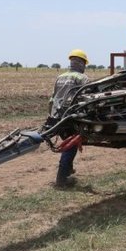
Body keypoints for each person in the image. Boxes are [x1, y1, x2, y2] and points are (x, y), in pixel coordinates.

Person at [46, 49, 90, 187]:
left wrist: (51, 116)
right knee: (71, 145)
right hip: (71, 117)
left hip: (57, 116)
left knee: (68, 141)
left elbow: (52, 99)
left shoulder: (60, 77)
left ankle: (68, 171)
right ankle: (62, 179)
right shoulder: (82, 78)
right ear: (82, 63)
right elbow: (87, 99)